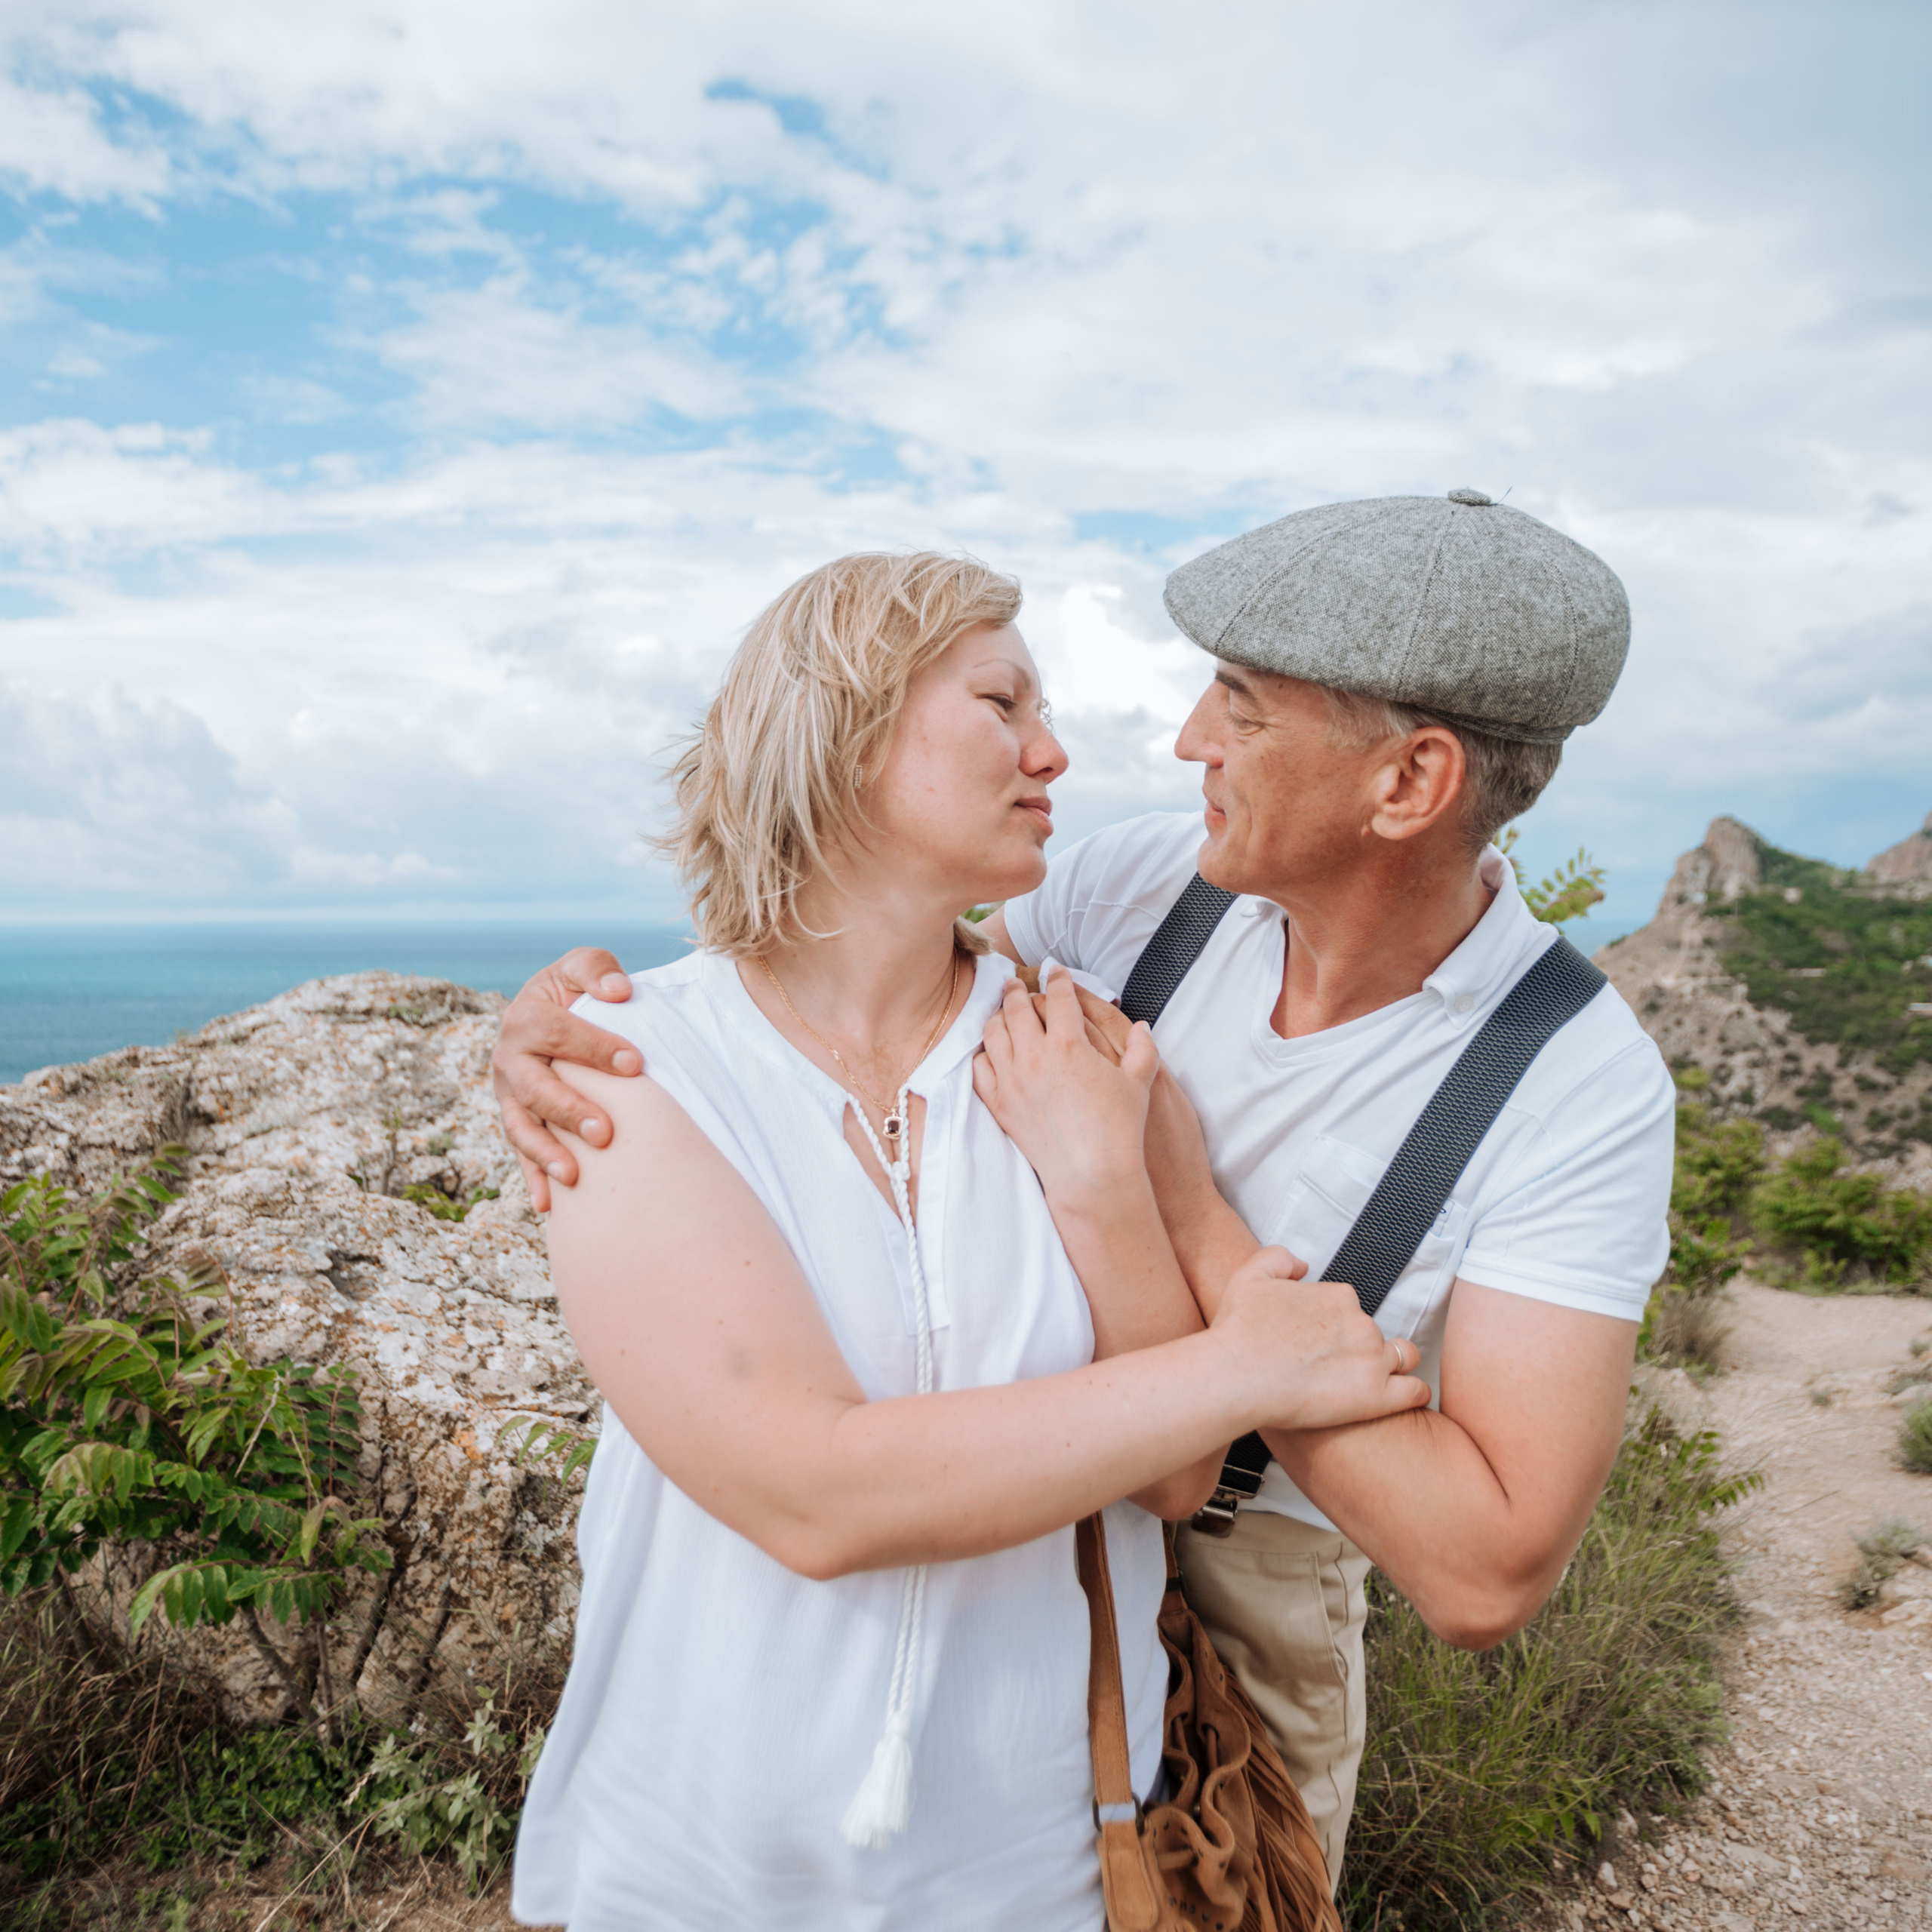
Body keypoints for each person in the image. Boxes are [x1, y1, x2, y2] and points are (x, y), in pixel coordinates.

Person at [494, 491, 1676, 1896]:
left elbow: (1480, 1569)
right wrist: (568, 1015)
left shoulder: (1575, 1084)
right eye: (1010, 705)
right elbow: (862, 950)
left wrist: (1179, 1211)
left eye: (1241, 708)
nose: (1186, 743)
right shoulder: (1127, 901)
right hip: (937, 1616)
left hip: (1264, 1556)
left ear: (1407, 786)